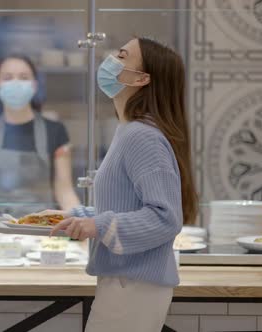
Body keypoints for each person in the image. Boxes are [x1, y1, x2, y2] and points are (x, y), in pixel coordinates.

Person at [44, 37, 198, 332]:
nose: (110, 61)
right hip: (128, 282)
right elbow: (124, 204)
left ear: (141, 79)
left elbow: (166, 218)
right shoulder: (129, 130)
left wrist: (98, 226)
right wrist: (78, 219)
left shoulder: (142, 136)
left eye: (122, 56)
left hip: (135, 286)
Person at [0, 55, 80, 227]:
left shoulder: (56, 132)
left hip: (43, 229)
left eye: (23, 77)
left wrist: (80, 224)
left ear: (34, 85)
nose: (15, 83)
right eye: (7, 78)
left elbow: (64, 191)